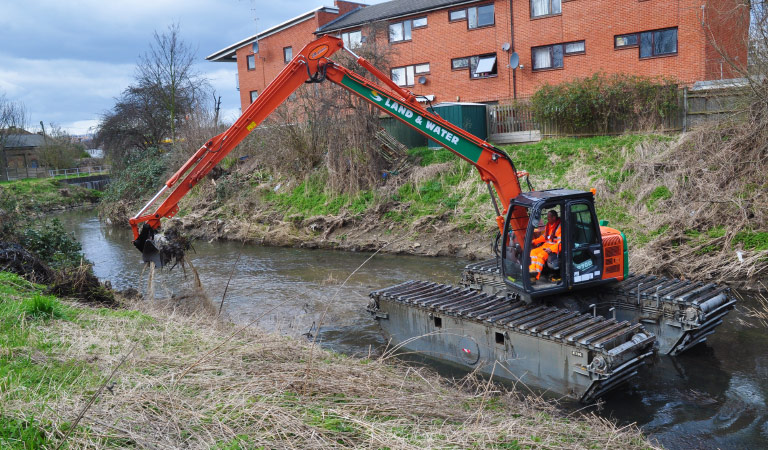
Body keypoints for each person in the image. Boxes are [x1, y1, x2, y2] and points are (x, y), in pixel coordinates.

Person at [529, 210, 561, 282]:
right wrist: (534, 241)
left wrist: (551, 249)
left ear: (554, 217)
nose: (547, 218)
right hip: (546, 245)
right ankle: (532, 271)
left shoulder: (560, 227)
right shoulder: (549, 225)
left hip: (553, 248)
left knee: (541, 256)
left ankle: (535, 278)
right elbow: (544, 237)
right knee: (533, 252)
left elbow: (561, 243)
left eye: (549, 217)